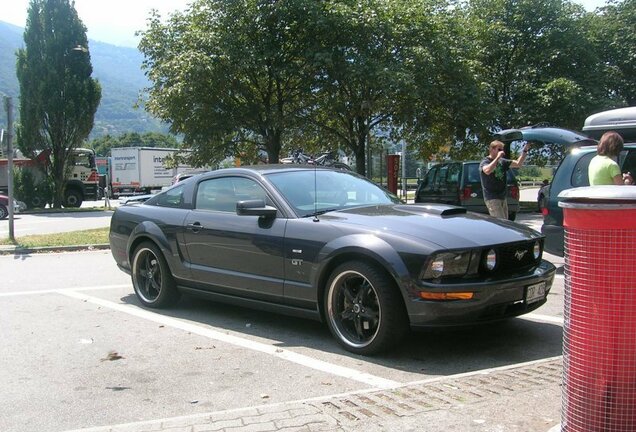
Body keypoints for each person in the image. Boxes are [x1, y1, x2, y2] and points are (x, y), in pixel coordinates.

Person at [480, 140, 531, 219]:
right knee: (500, 223)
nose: (501, 152)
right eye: (499, 149)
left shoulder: (502, 162)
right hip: (492, 197)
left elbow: (518, 163)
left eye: (502, 149)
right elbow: (487, 171)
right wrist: (497, 158)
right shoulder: (485, 161)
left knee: (505, 222)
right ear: (492, 149)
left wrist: (525, 150)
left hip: (502, 197)